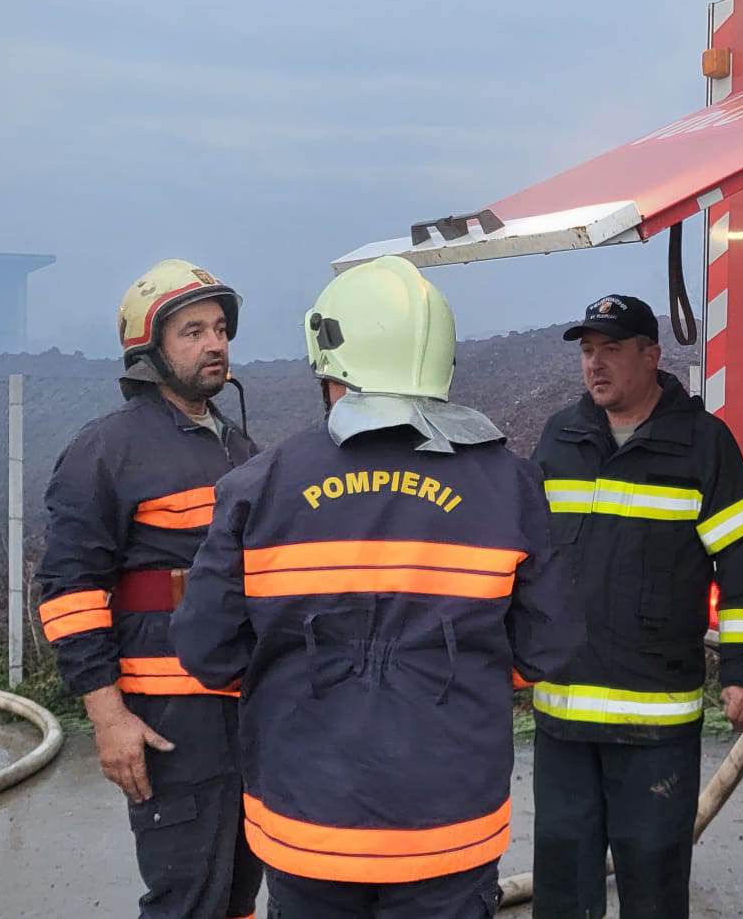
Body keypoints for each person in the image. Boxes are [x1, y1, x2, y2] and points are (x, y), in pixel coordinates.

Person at [173, 255, 579, 919]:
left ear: (328, 359)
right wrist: (459, 674)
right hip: (451, 828)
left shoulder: (259, 486)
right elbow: (549, 647)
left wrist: (298, 678)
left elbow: (206, 651)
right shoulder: (511, 485)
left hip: (307, 828)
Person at [529, 293, 743, 919]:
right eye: (588, 351)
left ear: (651, 356)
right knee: (563, 886)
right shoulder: (560, 437)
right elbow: (527, 555)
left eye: (611, 349)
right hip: (563, 718)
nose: (595, 364)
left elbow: (742, 563)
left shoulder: (702, 444)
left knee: (653, 885)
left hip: (655, 721)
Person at [34, 259, 262, 919]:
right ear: (149, 348)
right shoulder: (107, 451)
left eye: (220, 329)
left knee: (239, 892)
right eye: (193, 331)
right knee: (186, 899)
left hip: (245, 706)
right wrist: (108, 718)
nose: (214, 344)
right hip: (168, 721)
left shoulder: (240, 448)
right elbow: (69, 591)